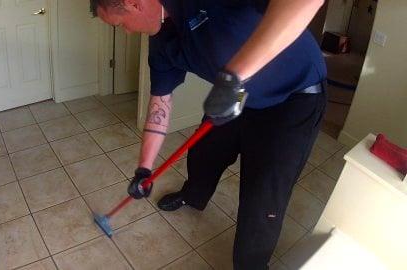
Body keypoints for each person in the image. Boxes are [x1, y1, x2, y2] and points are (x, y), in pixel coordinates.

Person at [91, 0, 327, 269]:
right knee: (205, 154)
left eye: (120, 24)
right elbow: (160, 102)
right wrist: (144, 169)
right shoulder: (161, 42)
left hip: (291, 99)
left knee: (262, 199)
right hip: (236, 97)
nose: (127, 32)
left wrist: (234, 76)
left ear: (133, 4)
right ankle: (193, 196)